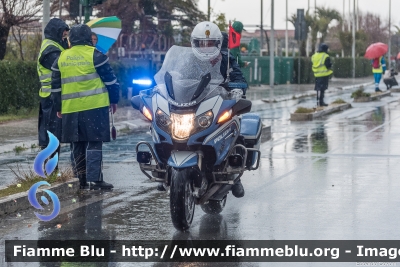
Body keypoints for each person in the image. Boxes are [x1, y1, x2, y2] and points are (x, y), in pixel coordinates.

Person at [51, 24, 120, 190]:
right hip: (95, 108)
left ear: (71, 39)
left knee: (77, 144)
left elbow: (55, 87)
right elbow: (111, 81)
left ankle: (80, 180)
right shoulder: (96, 56)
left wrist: (58, 107)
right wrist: (114, 100)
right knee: (94, 144)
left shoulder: (61, 58)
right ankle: (95, 180)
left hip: (70, 109)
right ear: (89, 38)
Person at [190, 21, 247, 198]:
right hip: (194, 105)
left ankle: (236, 177)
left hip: (220, 104)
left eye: (210, 43)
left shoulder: (226, 60)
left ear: (218, 44)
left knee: (235, 129)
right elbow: (177, 75)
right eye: (202, 43)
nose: (206, 47)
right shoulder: (190, 59)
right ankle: (168, 170)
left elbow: (239, 78)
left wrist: (238, 88)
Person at [37, 18, 69, 152]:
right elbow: (63, 67)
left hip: (52, 96)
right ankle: (49, 171)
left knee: (52, 136)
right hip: (51, 96)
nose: (65, 36)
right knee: (52, 137)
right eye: (64, 33)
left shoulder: (55, 46)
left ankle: (49, 170)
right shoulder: (50, 49)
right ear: (57, 32)